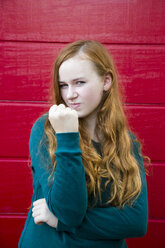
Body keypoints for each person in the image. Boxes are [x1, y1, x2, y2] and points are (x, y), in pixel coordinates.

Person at [19, 40, 149, 248]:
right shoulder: (47, 130)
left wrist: (60, 221)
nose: (70, 94)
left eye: (79, 82)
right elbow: (68, 210)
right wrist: (67, 135)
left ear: (106, 81)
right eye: (64, 85)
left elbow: (136, 222)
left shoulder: (127, 143)